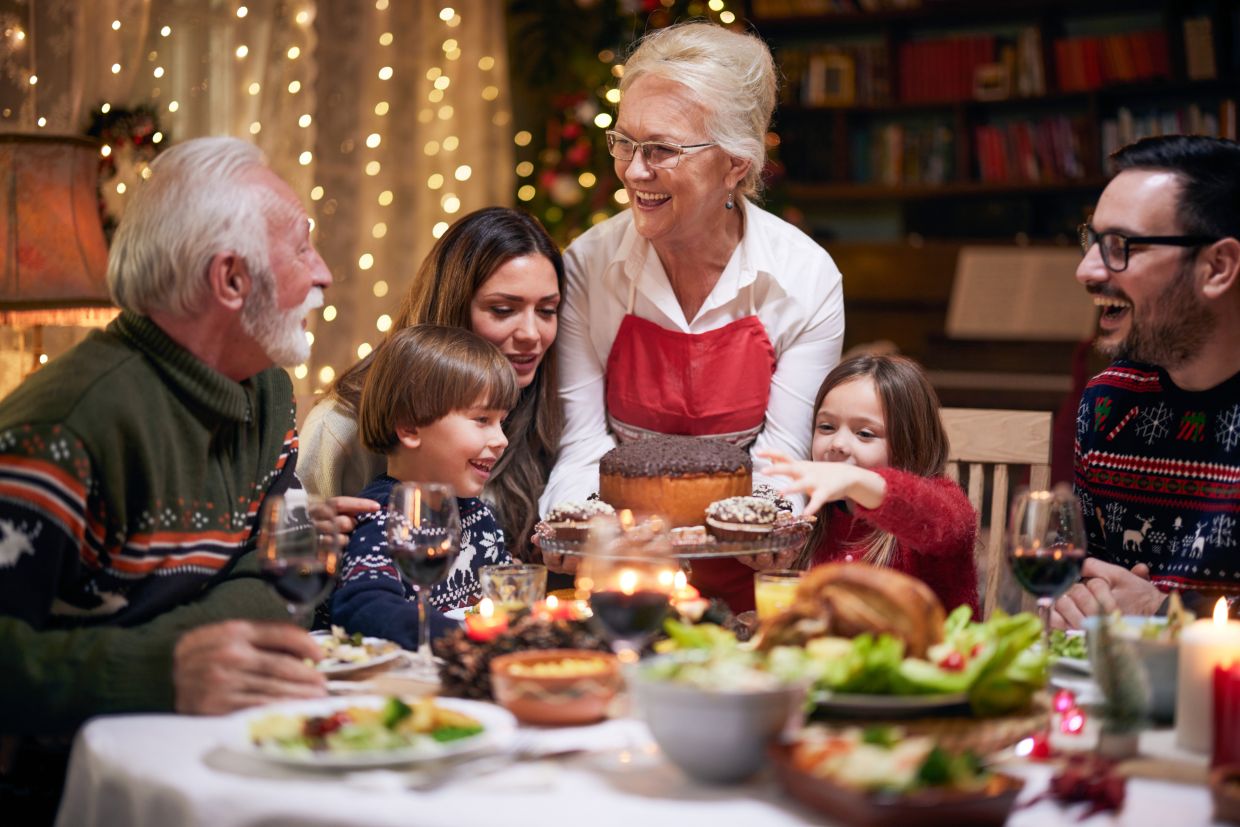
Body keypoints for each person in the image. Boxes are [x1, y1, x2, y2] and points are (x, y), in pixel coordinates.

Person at [0, 137, 371, 819]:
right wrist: (164, 665)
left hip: (210, 747)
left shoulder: (269, 396)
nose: (324, 273)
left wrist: (212, 648)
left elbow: (288, 574)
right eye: (301, 248)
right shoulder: (67, 426)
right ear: (230, 279)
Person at [538, 22, 846, 610]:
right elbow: (582, 444)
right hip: (616, 579)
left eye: (662, 149)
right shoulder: (588, 264)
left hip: (750, 584)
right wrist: (576, 531)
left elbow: (780, 459)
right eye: (624, 142)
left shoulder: (804, 279)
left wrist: (762, 533)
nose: (632, 171)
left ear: (735, 163)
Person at [300, 207, 562, 564]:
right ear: (452, 305)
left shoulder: (538, 408)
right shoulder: (340, 426)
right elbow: (293, 554)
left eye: (547, 311)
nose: (532, 334)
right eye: (502, 310)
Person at [1052, 135, 1240, 629]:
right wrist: (1074, 600)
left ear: (1217, 267)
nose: (1086, 270)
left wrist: (1163, 612)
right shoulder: (1109, 402)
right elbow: (1078, 573)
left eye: (1119, 247)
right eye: (1091, 242)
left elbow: (1142, 607)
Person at [330, 325, 517, 649]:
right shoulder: (382, 519)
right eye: (482, 419)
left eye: (502, 421)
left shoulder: (480, 516)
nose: (501, 440)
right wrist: (470, 638)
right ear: (409, 427)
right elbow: (364, 609)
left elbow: (499, 596)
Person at [761, 355, 979, 614]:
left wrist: (857, 481)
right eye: (827, 426)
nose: (838, 444)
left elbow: (943, 522)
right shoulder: (811, 516)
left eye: (865, 433)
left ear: (909, 444)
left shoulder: (942, 505)